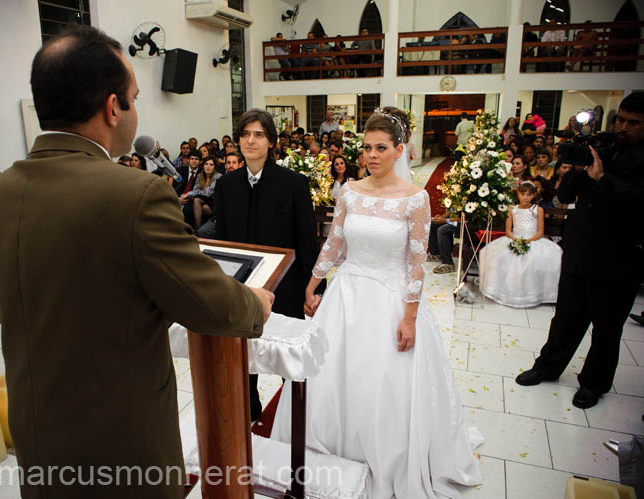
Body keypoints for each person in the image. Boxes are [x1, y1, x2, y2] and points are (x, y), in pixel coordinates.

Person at [0, 26, 274, 499]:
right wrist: (256, 304)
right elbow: (209, 304)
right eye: (134, 97)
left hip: (36, 431)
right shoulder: (136, 193)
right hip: (121, 443)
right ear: (113, 108)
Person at [271, 109, 483, 499]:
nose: (372, 155)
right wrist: (313, 283)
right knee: (331, 375)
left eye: (381, 148)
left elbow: (417, 263)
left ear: (399, 150)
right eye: (367, 147)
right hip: (347, 294)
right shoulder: (350, 191)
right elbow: (336, 242)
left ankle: (382, 457)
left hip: (389, 298)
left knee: (382, 381)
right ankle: (327, 453)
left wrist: (410, 318)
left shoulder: (415, 199)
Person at [515, 93, 644, 409]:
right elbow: (565, 193)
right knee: (566, 317)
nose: (624, 127)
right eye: (621, 120)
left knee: (606, 327)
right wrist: (575, 168)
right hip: (580, 248)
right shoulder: (603, 146)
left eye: (633, 123)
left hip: (618, 257)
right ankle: (548, 367)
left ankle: (594, 383)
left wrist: (603, 179)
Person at [213, 108, 320, 422]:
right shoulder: (226, 185)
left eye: (258, 134)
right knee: (243, 355)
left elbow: (307, 240)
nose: (251, 140)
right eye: (245, 134)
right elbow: (221, 240)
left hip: (285, 286)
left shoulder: (293, 184)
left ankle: (295, 416)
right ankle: (249, 410)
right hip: (242, 287)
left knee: (287, 354)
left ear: (271, 141)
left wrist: (313, 288)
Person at [479, 181, 561, 307]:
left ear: (534, 195)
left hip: (533, 239)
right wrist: (516, 240)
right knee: (496, 255)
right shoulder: (512, 209)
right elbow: (508, 231)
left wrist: (527, 241)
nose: (525, 197)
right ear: (518, 194)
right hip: (515, 238)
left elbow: (540, 232)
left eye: (529, 195)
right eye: (522, 194)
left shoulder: (537, 210)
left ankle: (534, 294)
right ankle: (507, 292)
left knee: (538, 259)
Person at [185, 156, 221, 229]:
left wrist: (188, 194)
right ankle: (196, 227)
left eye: (211, 165)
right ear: (203, 165)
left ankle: (197, 227)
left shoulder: (218, 176)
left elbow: (208, 193)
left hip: (214, 202)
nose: (208, 167)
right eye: (206, 164)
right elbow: (195, 190)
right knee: (195, 203)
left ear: (214, 167)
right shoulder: (199, 176)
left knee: (197, 200)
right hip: (202, 201)